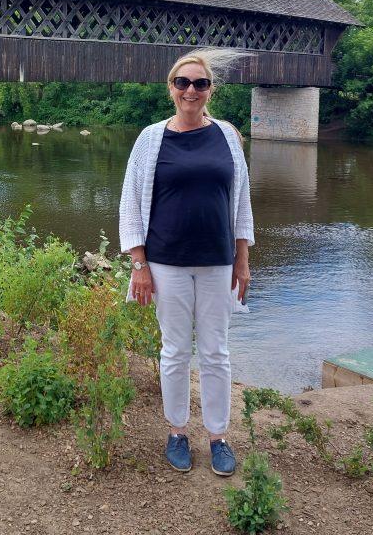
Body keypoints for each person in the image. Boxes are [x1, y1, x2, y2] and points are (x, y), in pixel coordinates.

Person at [118, 48, 254, 476]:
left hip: (218, 262)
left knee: (216, 352)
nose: (191, 90)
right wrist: (139, 264)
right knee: (175, 351)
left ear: (210, 90)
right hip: (166, 262)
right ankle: (177, 431)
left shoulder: (228, 136)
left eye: (200, 83)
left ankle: (218, 437)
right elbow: (130, 202)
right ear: (171, 89)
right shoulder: (150, 138)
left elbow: (242, 202)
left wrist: (243, 260)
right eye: (183, 83)